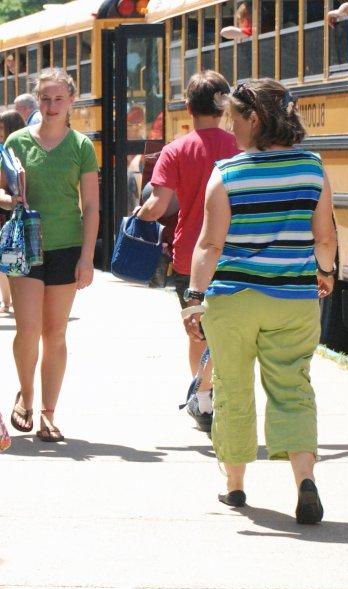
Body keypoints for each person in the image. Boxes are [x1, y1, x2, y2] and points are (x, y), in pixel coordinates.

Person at [184, 78, 338, 524]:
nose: (230, 128)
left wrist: (194, 298)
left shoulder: (228, 173)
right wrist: (324, 274)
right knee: (294, 387)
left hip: (234, 301)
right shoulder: (312, 167)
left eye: (234, 118)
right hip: (293, 298)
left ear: (255, 119)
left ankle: (234, 487)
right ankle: (305, 481)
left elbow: (210, 245)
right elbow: (324, 236)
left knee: (232, 389)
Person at [0, 68, 98, 442]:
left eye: (58, 99)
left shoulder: (81, 146)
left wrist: (87, 257)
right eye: (45, 99)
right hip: (26, 245)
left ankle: (49, 413)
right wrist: (14, 199)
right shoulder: (17, 142)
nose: (52, 106)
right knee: (28, 329)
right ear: (37, 101)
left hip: (66, 247)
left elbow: (90, 206)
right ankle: (26, 392)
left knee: (55, 333)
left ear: (72, 100)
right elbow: (0, 193)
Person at [135, 71, 237, 433]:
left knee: (199, 332)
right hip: (237, 254)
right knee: (231, 333)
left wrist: (138, 215)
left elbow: (158, 206)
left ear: (188, 108)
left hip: (190, 258)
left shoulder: (176, 150)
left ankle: (204, 398)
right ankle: (225, 397)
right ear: (225, 108)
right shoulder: (240, 146)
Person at [0, 109, 26, 315]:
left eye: (1, 127)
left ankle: (11, 300)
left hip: (14, 212)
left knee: (8, 257)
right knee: (3, 258)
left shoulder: (15, 149)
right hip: (4, 209)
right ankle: (7, 301)